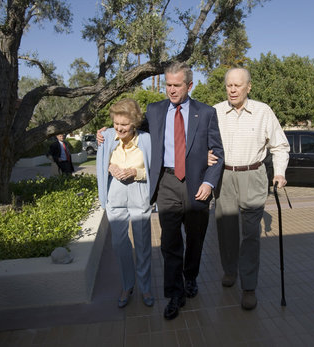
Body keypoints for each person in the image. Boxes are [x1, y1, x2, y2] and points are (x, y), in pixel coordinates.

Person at [97, 62, 224, 320]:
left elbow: (218, 152)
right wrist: (106, 133)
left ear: (190, 85)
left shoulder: (206, 112)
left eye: (177, 85)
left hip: (196, 184)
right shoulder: (155, 111)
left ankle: (190, 277)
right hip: (166, 183)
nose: (171, 90)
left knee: (196, 237)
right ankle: (174, 294)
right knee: (169, 242)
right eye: (168, 84)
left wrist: (209, 182)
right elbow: (130, 126)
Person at [211, 67, 290, 310]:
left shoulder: (263, 111)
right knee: (225, 229)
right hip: (224, 177)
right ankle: (229, 270)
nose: (232, 89)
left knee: (250, 235)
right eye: (229, 85)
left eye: (238, 85)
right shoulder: (215, 111)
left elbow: (280, 145)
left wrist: (279, 173)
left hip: (254, 175)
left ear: (248, 87)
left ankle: (249, 287)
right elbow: (203, 143)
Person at [95, 98, 154, 308]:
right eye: (116, 123)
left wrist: (135, 172)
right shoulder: (107, 136)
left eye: (124, 124)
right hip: (115, 192)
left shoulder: (147, 139)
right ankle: (128, 285)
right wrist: (111, 167)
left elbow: (154, 170)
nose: (119, 128)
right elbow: (101, 163)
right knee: (119, 244)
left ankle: (145, 287)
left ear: (135, 123)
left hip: (139, 190)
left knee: (142, 243)